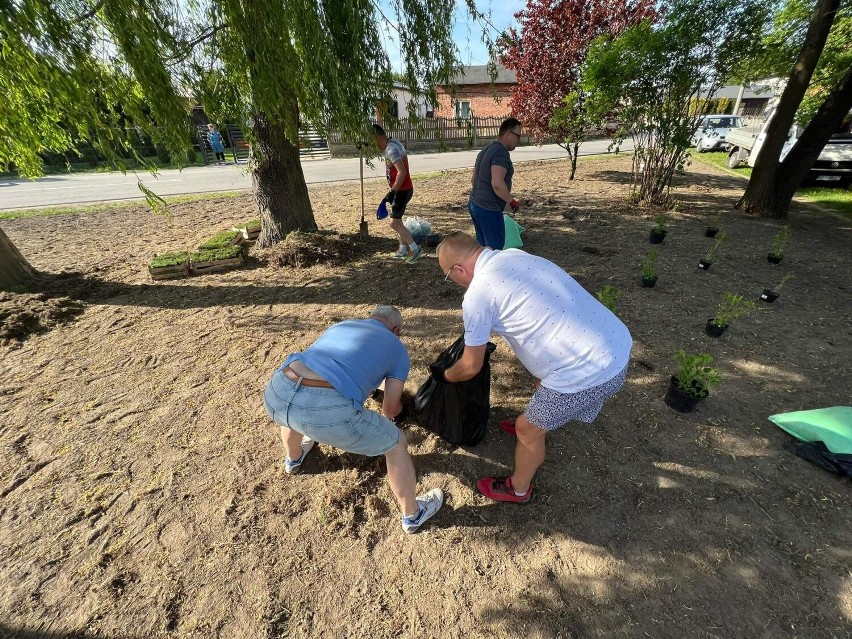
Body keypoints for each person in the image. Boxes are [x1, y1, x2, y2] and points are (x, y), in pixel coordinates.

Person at [437, 233, 632, 503]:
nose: (454, 282)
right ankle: (541, 420)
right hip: (617, 342)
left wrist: (444, 376)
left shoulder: (478, 295)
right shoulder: (513, 255)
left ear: (459, 269)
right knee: (543, 383)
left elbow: (470, 366)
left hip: (593, 370)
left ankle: (518, 489)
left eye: (449, 276)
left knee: (528, 429)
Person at [262, 305, 443, 533]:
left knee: (291, 416)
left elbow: (340, 365)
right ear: (396, 329)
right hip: (326, 408)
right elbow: (389, 409)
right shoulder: (396, 348)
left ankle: (294, 459)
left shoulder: (343, 325)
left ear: (371, 318)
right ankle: (413, 514)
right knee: (397, 444)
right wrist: (401, 412)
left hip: (278, 390)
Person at [468, 117, 523, 250]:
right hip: (488, 208)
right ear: (508, 134)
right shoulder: (501, 153)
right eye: (518, 136)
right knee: (494, 250)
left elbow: (473, 179)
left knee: (483, 248)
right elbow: (497, 183)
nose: (519, 140)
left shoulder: (486, 150)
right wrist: (512, 201)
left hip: (475, 204)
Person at [373, 124, 422, 263]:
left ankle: (415, 249)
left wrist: (393, 191)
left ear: (377, 137)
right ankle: (402, 249)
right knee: (398, 221)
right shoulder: (393, 141)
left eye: (373, 141)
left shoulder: (391, 149)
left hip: (401, 191)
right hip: (404, 189)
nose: (373, 145)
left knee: (394, 223)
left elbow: (402, 172)